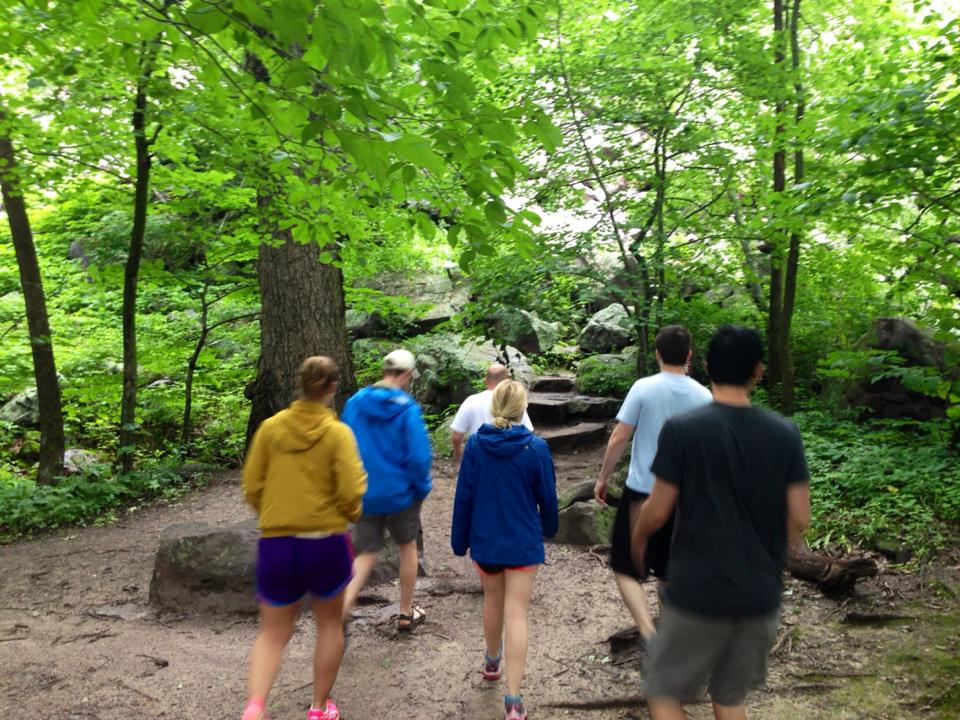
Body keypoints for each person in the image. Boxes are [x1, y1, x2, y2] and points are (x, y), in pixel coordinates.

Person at [632, 325, 811, 720]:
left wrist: (640, 536)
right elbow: (799, 517)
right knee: (730, 698)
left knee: (661, 688)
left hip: (697, 590)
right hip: (759, 597)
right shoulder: (785, 433)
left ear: (708, 366)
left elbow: (658, 510)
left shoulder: (684, 430)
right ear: (759, 371)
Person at [240, 356, 367, 720]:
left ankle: (255, 707)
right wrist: (349, 514)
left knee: (272, 633)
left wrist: (272, 513)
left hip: (278, 543)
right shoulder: (338, 433)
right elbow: (352, 488)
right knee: (329, 625)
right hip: (325, 542)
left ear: (300, 384)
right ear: (331, 387)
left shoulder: (271, 429)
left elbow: (252, 484)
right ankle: (318, 708)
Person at [593, 325, 711, 639]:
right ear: (689, 355)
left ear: (657, 354)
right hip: (684, 499)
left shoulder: (643, 388)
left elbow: (619, 437)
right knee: (670, 572)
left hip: (641, 493)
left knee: (625, 566)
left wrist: (603, 478)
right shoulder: (705, 395)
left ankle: (649, 632)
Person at [451, 380, 559, 720]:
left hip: (486, 541)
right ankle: (514, 702)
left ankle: (492, 660)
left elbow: (464, 497)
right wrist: (550, 529)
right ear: (522, 409)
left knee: (493, 601)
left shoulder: (475, 447)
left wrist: (460, 539)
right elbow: (548, 498)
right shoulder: (536, 449)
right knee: (517, 613)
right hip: (523, 543)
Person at [340, 348, 433, 632]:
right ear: (405, 374)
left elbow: (343, 443)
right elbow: (419, 456)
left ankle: (342, 606)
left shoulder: (355, 403)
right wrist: (422, 487)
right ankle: (406, 612)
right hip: (401, 493)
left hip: (364, 490)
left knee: (367, 552)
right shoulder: (407, 408)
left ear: (384, 371)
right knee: (408, 548)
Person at [451, 363, 534, 461]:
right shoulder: (513, 401)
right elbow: (528, 432)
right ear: (507, 381)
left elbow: (457, 436)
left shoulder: (471, 400)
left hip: (479, 458)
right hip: (509, 458)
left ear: (485, 380)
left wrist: (458, 453)